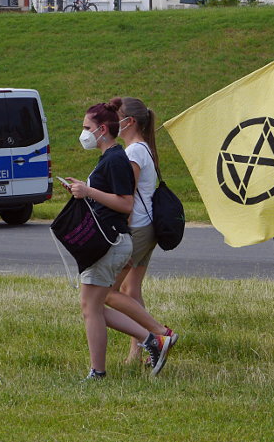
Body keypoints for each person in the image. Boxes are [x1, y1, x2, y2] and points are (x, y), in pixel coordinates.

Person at [65, 102, 172, 380]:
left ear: (102, 129)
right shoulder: (111, 157)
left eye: (87, 128)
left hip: (109, 240)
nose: (83, 133)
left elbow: (126, 203)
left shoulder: (116, 158)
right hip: (111, 239)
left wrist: (87, 190)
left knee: (94, 307)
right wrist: (83, 191)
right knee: (94, 307)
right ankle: (150, 340)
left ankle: (150, 340)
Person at [105, 96, 178, 364]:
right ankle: (139, 351)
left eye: (116, 117)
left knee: (107, 293)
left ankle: (160, 334)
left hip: (135, 228)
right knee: (131, 291)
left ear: (129, 121)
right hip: (146, 229)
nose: (112, 122)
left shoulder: (133, 151)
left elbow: (127, 194)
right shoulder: (142, 147)